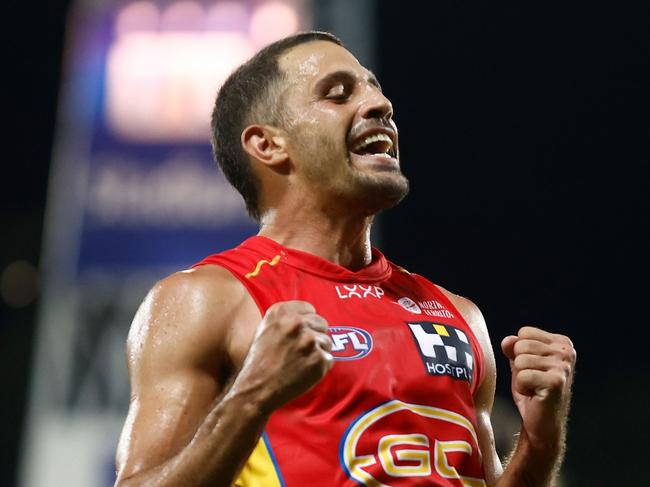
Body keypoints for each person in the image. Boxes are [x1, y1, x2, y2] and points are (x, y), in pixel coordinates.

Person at [113, 31, 576, 487]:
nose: (380, 105)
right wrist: (251, 397)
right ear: (268, 145)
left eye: (375, 88)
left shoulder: (458, 315)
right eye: (338, 94)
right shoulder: (207, 299)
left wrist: (540, 440)